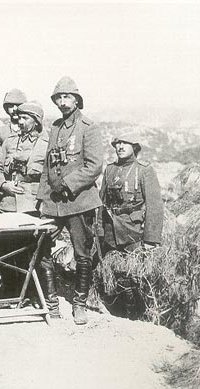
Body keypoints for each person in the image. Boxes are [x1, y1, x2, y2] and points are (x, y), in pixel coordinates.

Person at [37, 76, 104, 325]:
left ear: (77, 100)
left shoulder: (89, 127)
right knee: (43, 247)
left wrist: (67, 183)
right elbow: (48, 166)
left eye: (67, 97)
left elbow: (94, 166)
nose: (63, 102)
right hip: (54, 203)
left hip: (79, 201)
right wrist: (42, 197)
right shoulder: (55, 127)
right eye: (59, 98)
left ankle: (79, 304)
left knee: (82, 254)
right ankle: (52, 303)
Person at [100, 128, 164, 319]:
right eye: (117, 143)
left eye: (125, 143)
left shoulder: (144, 170)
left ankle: (137, 316)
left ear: (134, 147)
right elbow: (101, 201)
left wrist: (151, 239)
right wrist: (98, 229)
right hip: (110, 231)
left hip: (133, 231)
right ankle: (118, 314)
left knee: (134, 277)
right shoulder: (110, 169)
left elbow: (154, 205)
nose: (120, 146)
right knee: (114, 274)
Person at [0, 101, 52, 299]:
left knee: (34, 251)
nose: (20, 121)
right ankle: (11, 292)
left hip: (33, 204)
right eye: (20, 118)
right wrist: (3, 185)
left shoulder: (47, 143)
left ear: (36, 121)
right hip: (8, 203)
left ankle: (35, 294)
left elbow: (51, 176)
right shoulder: (9, 142)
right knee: (7, 249)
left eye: (26, 118)